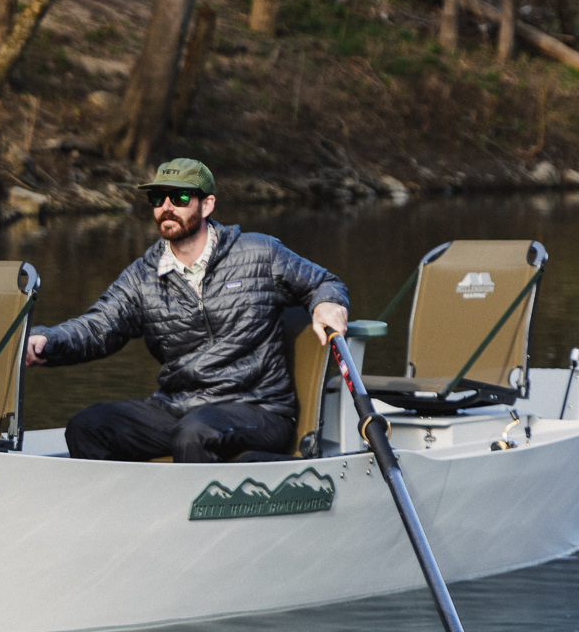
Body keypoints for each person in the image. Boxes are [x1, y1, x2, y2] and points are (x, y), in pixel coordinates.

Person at [23, 159, 350, 462]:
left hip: (258, 408)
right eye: (158, 199)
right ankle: (126, 517)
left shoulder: (259, 252)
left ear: (206, 205)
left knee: (195, 433)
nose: (166, 208)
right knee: (87, 426)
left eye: (179, 198)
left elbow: (321, 281)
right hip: (177, 407)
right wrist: (46, 340)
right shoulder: (142, 276)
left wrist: (326, 303)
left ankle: (200, 519)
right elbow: (96, 328)